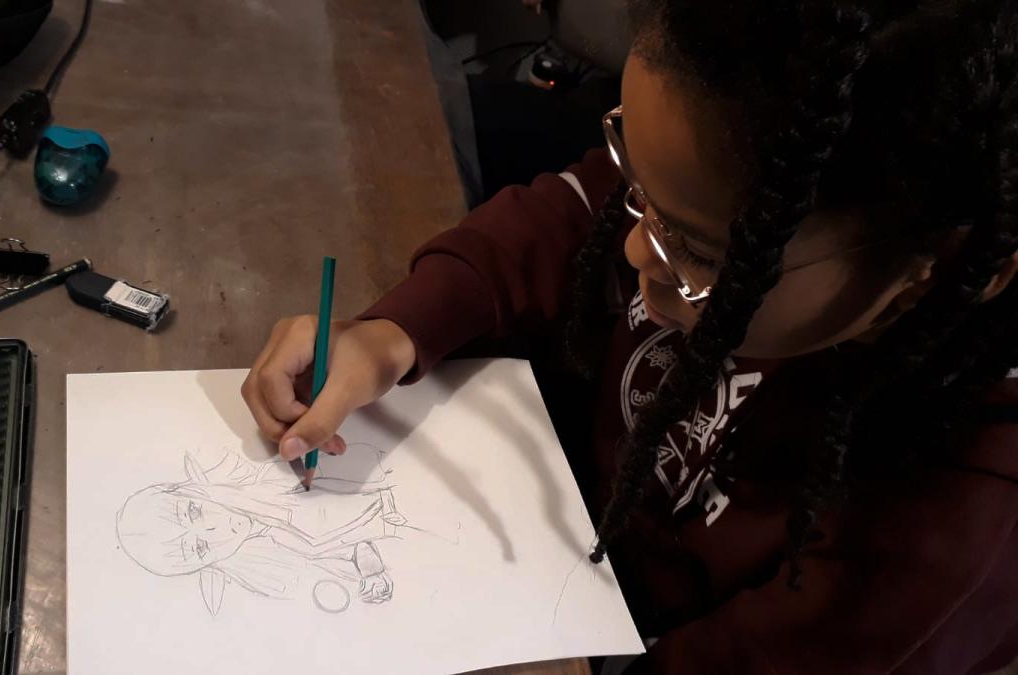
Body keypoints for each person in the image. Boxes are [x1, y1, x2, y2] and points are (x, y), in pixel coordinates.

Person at [242, 0, 1018, 672]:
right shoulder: (721, 169)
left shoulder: (942, 539)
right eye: (635, 185)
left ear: (926, 275)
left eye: (701, 252)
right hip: (555, 537)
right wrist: (395, 331)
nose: (635, 246)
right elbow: (573, 214)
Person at [116, 449, 405, 616]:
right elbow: (339, 560)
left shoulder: (274, 478)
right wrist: (369, 566)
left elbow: (359, 471)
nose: (216, 528)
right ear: (207, 564)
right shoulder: (274, 560)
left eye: (194, 511)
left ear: (193, 490)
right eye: (201, 548)